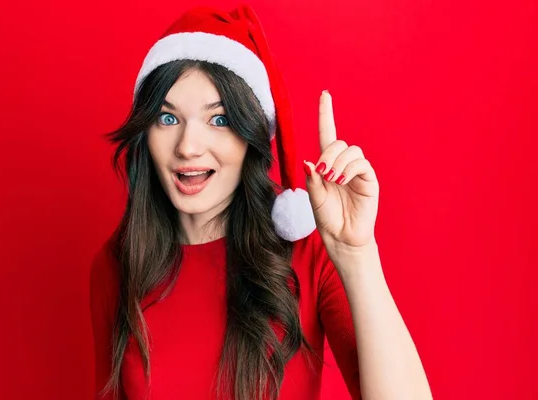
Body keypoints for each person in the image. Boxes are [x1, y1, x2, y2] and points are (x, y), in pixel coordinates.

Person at [90, 4, 432, 400]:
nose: (188, 146)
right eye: (168, 119)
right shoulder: (115, 267)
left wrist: (358, 257)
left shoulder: (308, 250)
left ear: (251, 135)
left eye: (218, 120)